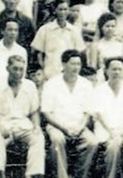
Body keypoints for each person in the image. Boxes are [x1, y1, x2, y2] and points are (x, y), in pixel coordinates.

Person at [0, 54, 44, 178]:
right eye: (15, 69)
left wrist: (37, 126)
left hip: (23, 125)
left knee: (38, 137)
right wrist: (0, 125)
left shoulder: (30, 86)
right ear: (8, 68)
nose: (18, 72)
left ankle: (33, 174)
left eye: (21, 69)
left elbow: (34, 112)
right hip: (2, 124)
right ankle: (0, 172)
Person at [40, 50, 98, 178]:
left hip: (79, 126)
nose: (76, 67)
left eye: (78, 64)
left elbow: (87, 112)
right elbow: (47, 113)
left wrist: (80, 128)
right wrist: (64, 129)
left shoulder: (86, 84)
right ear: (64, 64)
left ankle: (80, 175)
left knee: (92, 142)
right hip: (57, 126)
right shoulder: (51, 84)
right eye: (72, 64)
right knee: (57, 139)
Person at [93, 57, 123, 178]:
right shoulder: (99, 90)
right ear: (107, 71)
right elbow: (99, 114)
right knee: (113, 145)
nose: (117, 72)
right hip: (105, 128)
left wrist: (120, 131)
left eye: (119, 69)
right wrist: (112, 131)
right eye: (113, 69)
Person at [31, 0, 85, 80]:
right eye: (60, 9)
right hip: (50, 73)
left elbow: (79, 53)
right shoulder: (45, 29)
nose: (63, 12)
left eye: (65, 9)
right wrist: (43, 69)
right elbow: (38, 53)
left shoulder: (75, 31)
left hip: (69, 74)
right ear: (55, 10)